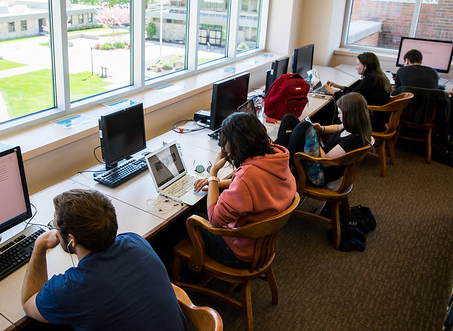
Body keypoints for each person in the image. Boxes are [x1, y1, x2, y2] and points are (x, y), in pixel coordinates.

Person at [21, 188, 186, 330]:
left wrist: (39, 246)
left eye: (55, 226)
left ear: (72, 239)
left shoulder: (71, 288)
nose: (55, 231)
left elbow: (29, 303)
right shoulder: (136, 241)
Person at [192, 112, 296, 269]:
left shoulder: (246, 178)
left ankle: (186, 274)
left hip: (240, 253)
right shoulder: (277, 156)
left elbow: (214, 219)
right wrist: (217, 185)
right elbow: (257, 185)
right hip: (262, 242)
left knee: (188, 217)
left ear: (236, 145)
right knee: (203, 198)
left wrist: (213, 173)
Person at [276, 92, 373, 185]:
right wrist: (322, 128)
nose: (338, 116)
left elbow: (325, 162)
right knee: (290, 118)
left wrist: (314, 140)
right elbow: (338, 127)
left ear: (350, 116)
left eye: (340, 113)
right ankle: (281, 162)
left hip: (318, 174)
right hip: (318, 160)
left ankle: (282, 166)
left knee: (304, 126)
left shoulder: (353, 141)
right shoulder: (354, 126)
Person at [323, 52, 391, 130]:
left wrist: (333, 92)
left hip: (372, 121)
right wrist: (340, 87)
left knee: (331, 106)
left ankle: (330, 133)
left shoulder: (370, 79)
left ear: (365, 66)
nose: (356, 67)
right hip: (379, 117)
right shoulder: (378, 76)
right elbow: (358, 91)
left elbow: (350, 98)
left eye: (358, 65)